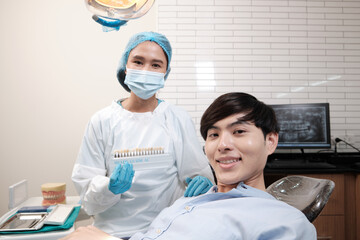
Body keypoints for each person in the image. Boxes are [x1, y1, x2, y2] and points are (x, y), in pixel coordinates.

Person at [63, 92, 316, 240]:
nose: (223, 145)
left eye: (239, 131)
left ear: (270, 141)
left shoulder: (284, 222)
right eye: (213, 135)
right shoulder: (189, 201)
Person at [71, 31, 214, 238]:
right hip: (111, 232)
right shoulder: (102, 121)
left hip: (167, 229)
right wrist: (109, 187)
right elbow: (88, 199)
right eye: (138, 62)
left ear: (166, 72)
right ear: (125, 66)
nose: (146, 70)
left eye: (156, 65)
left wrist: (204, 184)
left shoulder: (177, 118)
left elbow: (196, 176)